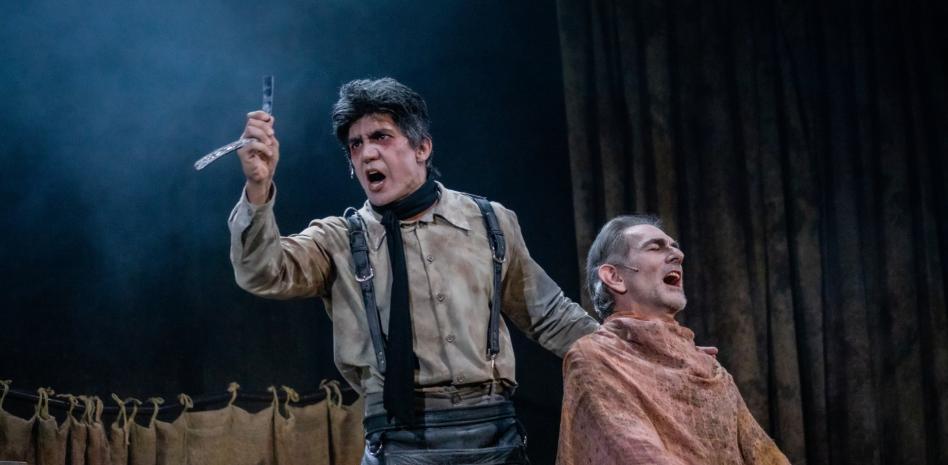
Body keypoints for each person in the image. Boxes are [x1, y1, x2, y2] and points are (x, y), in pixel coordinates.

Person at [227, 77, 599, 464]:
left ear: (422, 147)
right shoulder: (340, 239)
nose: (367, 153)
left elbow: (549, 315)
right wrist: (258, 187)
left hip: (492, 437)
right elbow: (262, 271)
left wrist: (626, 359)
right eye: (356, 145)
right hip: (397, 442)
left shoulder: (488, 221)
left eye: (381, 137)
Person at [556, 215, 790, 465]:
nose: (678, 255)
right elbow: (636, 455)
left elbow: (765, 454)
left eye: (674, 246)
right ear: (615, 277)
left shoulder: (707, 366)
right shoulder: (595, 358)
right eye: (655, 247)